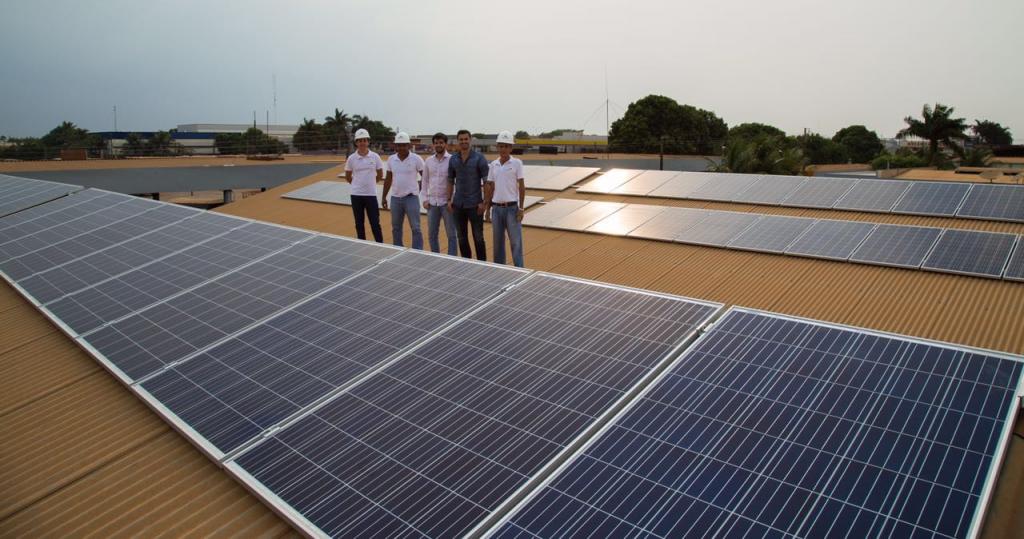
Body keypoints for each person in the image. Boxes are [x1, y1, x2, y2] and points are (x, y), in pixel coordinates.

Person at [447, 129, 489, 261]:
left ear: (470, 140)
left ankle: (482, 264)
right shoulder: (453, 159)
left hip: (475, 205)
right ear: (458, 141)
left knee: (478, 237)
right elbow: (450, 180)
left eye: (466, 139)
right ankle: (467, 263)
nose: (463, 141)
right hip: (458, 205)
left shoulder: (479, 158)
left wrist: (484, 203)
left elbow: (486, 182)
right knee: (461, 237)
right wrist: (449, 200)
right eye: (461, 139)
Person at [486, 131, 526, 267]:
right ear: (497, 147)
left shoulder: (517, 163)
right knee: (497, 244)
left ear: (511, 148)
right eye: (501, 146)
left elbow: (521, 186)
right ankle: (499, 270)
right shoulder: (493, 165)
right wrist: (488, 209)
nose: (503, 149)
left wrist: (521, 208)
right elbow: (490, 187)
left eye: (506, 146)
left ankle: (519, 269)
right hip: (496, 209)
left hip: (512, 209)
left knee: (515, 242)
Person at [382, 132, 425, 249]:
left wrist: (421, 189)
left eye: (404, 145)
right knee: (396, 228)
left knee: (416, 227)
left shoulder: (416, 159)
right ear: (395, 146)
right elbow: (388, 179)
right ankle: (398, 249)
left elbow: (425, 177)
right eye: (398, 145)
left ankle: (417, 251)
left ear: (409, 145)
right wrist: (384, 197)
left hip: (411, 198)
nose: (401, 148)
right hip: (395, 199)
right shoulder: (391, 159)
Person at [343, 128, 384, 242]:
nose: (362, 143)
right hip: (356, 195)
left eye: (364, 140)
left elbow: (380, 174)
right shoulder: (351, 158)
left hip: (371, 195)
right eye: (360, 140)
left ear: (368, 141)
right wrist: (357, 184)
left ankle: (380, 244)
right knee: (359, 223)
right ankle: (362, 244)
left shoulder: (375, 157)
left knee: (375, 223)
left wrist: (371, 184)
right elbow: (348, 176)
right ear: (356, 142)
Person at [421, 132, 457, 255]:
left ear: (445, 144)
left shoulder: (452, 160)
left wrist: (452, 200)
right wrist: (424, 199)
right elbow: (424, 181)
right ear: (433, 145)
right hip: (432, 204)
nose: (438, 145)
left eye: (441, 142)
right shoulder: (428, 161)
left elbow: (456, 181)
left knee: (451, 234)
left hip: (447, 204)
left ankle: (452, 259)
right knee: (432, 234)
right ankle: (435, 256)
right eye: (436, 143)